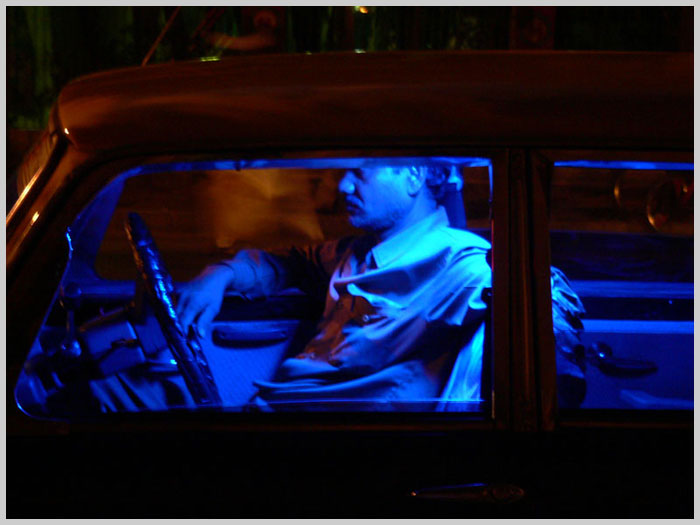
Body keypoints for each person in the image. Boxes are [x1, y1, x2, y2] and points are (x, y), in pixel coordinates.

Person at [176, 164, 492, 411]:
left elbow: (509, 291)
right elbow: (292, 262)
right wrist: (223, 273)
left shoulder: (459, 263)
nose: (344, 186)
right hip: (278, 411)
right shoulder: (355, 251)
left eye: (360, 173)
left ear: (413, 176)